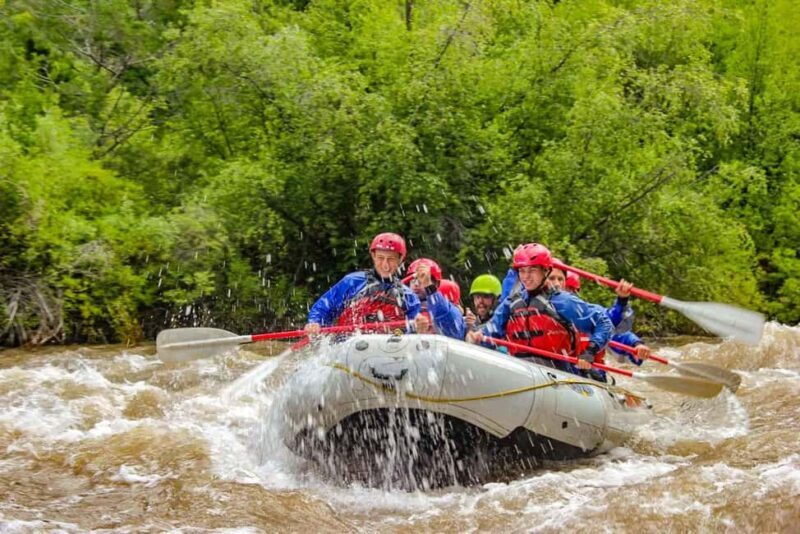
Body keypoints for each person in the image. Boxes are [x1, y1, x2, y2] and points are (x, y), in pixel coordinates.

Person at [466, 243, 612, 381]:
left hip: (557, 373)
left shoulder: (563, 302)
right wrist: (479, 337)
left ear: (545, 271)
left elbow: (603, 322)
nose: (526, 276)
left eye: (532, 270)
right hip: (519, 368)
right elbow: (492, 330)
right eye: (522, 271)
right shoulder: (511, 303)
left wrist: (591, 351)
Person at [304, 232, 425, 335]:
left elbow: (410, 332)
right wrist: (315, 323)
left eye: (391, 259)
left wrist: (418, 327)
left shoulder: (408, 296)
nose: (385, 265)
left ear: (400, 259)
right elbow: (324, 307)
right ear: (373, 256)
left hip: (389, 350)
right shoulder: (352, 282)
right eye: (380, 258)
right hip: (348, 345)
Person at [403, 258, 466, 340]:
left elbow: (454, 331)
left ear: (436, 284)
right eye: (413, 281)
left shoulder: (447, 308)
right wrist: (411, 330)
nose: (416, 284)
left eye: (421, 279)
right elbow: (394, 336)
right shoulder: (403, 308)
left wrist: (430, 289)